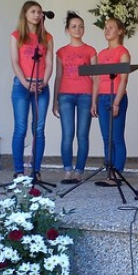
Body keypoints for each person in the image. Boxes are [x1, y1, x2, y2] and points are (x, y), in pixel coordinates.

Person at [10, 0, 54, 179]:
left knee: (39, 128)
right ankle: (19, 170)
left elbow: (49, 63)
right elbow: (15, 62)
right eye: (33, 12)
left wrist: (44, 82)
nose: (37, 15)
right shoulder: (16, 36)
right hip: (22, 85)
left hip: (41, 86)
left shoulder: (47, 37)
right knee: (20, 127)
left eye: (39, 12)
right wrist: (26, 83)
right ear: (25, 14)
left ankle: (36, 170)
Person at [52, 11, 97, 184]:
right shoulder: (61, 52)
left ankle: (79, 171)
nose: (77, 29)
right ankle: (67, 170)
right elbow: (58, 76)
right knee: (67, 134)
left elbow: (96, 78)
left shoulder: (90, 50)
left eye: (81, 26)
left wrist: (94, 100)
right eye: (74, 26)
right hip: (65, 95)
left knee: (82, 134)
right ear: (67, 30)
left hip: (86, 95)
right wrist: (55, 100)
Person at [91, 18, 130, 187]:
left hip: (116, 97)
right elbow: (97, 79)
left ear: (120, 31)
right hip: (102, 97)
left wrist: (117, 102)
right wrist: (94, 101)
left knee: (116, 138)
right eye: (105, 27)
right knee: (106, 138)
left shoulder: (123, 52)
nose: (107, 30)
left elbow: (123, 80)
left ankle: (117, 173)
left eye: (111, 27)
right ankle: (109, 172)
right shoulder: (101, 54)